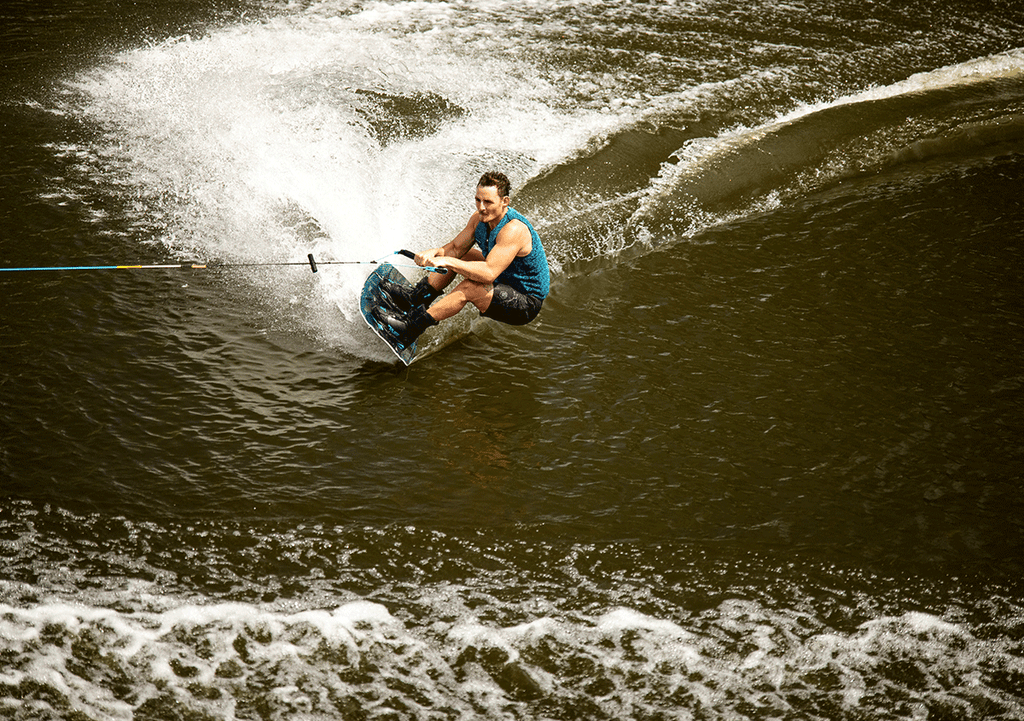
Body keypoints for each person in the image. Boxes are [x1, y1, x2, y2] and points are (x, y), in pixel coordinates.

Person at [372, 171, 549, 347]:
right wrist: (434, 252)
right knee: (462, 255)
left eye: (488, 202)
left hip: (525, 301)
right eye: (478, 200)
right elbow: (456, 248)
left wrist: (448, 261)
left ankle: (410, 327)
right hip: (503, 277)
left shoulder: (513, 229)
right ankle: (416, 298)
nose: (481, 207)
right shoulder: (478, 219)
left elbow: (488, 273)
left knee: (470, 286)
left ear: (505, 202)